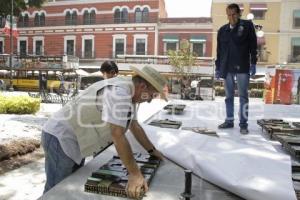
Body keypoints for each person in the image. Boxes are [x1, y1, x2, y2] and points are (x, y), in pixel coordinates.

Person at [41, 65, 167, 199]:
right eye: (151, 95)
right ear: (143, 87)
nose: (149, 101)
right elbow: (117, 134)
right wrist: (135, 174)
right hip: (60, 137)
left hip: (76, 139)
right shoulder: (119, 93)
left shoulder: (129, 94)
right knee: (55, 191)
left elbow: (134, 126)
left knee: (68, 188)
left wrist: (152, 151)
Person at [215, 3, 257, 134]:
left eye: (234, 14)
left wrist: (253, 62)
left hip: (242, 65)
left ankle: (243, 124)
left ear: (239, 14)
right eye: (229, 14)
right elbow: (219, 51)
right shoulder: (222, 30)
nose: (231, 17)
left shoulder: (247, 26)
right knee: (228, 96)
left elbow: (253, 45)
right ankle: (229, 120)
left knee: (243, 96)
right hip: (226, 66)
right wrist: (217, 67)